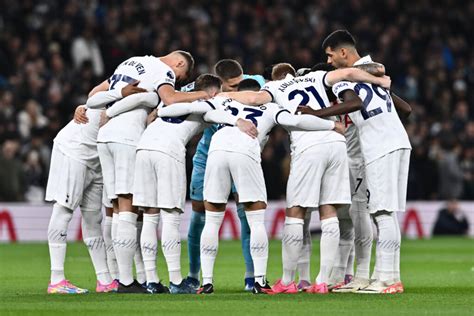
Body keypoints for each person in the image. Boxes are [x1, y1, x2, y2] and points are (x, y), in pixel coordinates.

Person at [220, 62, 389, 294]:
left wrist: (219, 95)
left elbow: (253, 100)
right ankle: (322, 281)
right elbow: (350, 72)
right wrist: (380, 81)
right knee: (329, 212)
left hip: (308, 144)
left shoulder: (274, 87)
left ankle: (288, 281)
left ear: (275, 76)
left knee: (296, 213)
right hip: (336, 143)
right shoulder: (318, 77)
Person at [165, 78, 344, 294]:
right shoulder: (271, 107)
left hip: (217, 151)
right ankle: (259, 281)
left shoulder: (224, 101)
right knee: (256, 219)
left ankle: (207, 282)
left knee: (212, 219)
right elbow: (297, 122)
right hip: (245, 151)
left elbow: (200, 112)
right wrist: (332, 124)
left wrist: (160, 112)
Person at [82, 50, 210, 293]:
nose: (178, 79)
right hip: (128, 137)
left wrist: (110, 111)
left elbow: (93, 94)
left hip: (105, 137)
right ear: (180, 62)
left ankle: (125, 277)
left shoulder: (131, 62)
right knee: (129, 209)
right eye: (181, 75)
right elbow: (170, 98)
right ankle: (127, 282)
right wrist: (205, 93)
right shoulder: (163, 71)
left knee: (117, 210)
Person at [321, 30, 411, 294]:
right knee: (386, 212)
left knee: (381, 213)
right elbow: (406, 109)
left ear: (343, 53)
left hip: (379, 146)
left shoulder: (344, 80)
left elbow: (355, 103)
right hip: (397, 140)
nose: (328, 62)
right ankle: (387, 275)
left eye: (329, 56)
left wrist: (318, 112)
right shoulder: (375, 76)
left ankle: (388, 279)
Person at [185, 59, 265, 291]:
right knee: (200, 215)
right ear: (219, 83)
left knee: (247, 212)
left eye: (240, 83)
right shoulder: (200, 89)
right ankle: (193, 276)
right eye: (231, 86)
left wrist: (223, 98)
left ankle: (251, 277)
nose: (238, 89)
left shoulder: (256, 83)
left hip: (242, 154)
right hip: (208, 155)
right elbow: (172, 99)